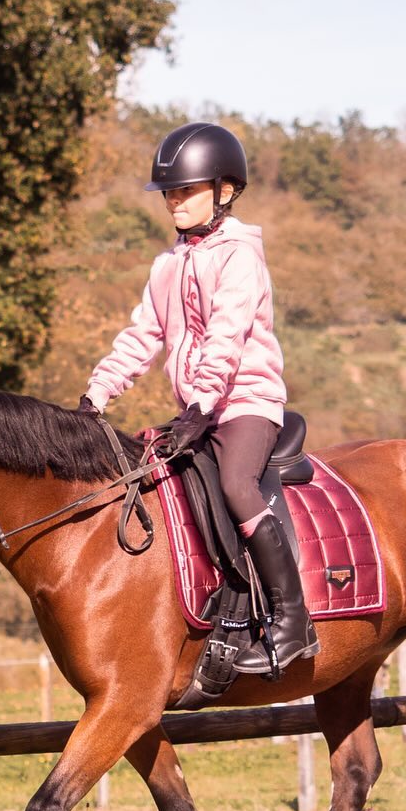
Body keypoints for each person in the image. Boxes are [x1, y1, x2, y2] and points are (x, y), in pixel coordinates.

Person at [79, 121, 317, 674]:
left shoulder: (240, 258)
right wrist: (97, 394)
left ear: (225, 191)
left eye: (185, 190)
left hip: (245, 404)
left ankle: (291, 620)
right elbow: (142, 336)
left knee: (235, 485)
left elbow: (226, 338)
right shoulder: (166, 265)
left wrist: (203, 406)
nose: (174, 202)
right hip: (199, 411)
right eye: (170, 192)